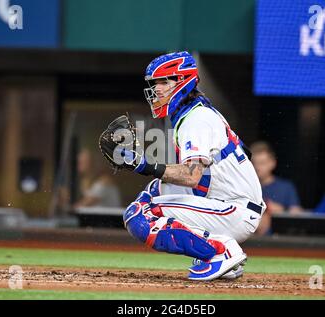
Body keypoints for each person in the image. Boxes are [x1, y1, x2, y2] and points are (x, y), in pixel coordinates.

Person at [113, 52, 265, 281]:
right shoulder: (193, 113)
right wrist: (147, 167)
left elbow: (193, 176)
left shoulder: (197, 118)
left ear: (183, 82)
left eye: (165, 81)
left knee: (140, 215)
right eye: (156, 83)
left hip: (235, 210)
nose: (158, 89)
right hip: (228, 202)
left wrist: (144, 164)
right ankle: (219, 252)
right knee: (155, 190)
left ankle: (221, 251)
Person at [250, 141, 302, 235]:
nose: (257, 167)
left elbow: (297, 217)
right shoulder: (244, 187)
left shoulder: (286, 187)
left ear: (273, 163)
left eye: (262, 163)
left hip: (278, 244)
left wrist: (282, 212)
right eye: (254, 163)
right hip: (250, 242)